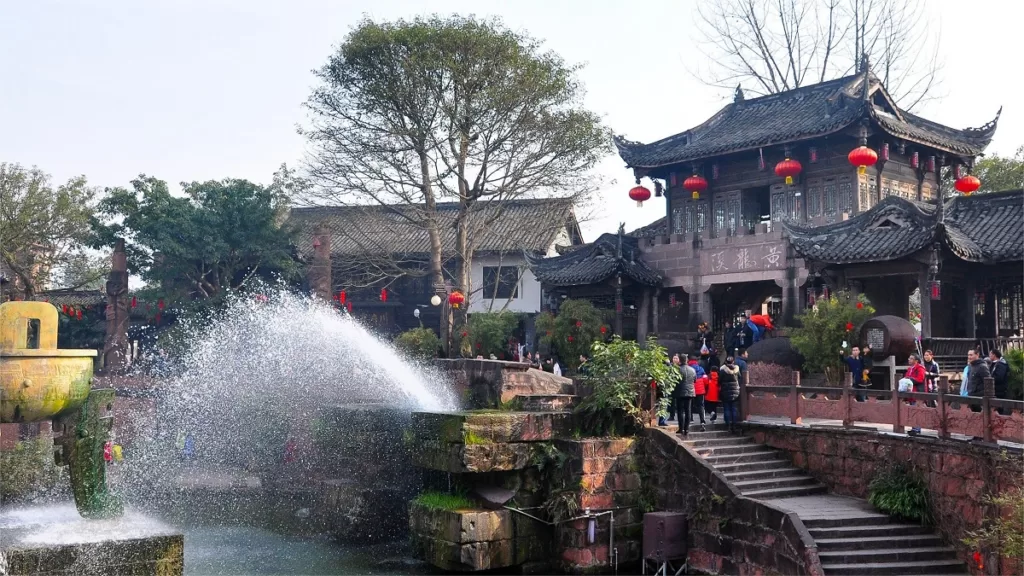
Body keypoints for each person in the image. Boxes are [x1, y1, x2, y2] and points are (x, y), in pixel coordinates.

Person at [901, 353, 926, 435]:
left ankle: (917, 429)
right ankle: (914, 427)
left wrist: (910, 379)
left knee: (917, 410)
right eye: (909, 358)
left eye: (911, 358)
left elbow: (920, 379)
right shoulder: (909, 369)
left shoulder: (920, 368)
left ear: (916, 361)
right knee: (912, 411)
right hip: (910, 392)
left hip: (917, 391)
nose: (909, 360)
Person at [674, 355, 698, 436]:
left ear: (680, 360)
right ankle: (686, 429)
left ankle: (681, 428)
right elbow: (695, 380)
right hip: (690, 391)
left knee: (680, 411)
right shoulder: (692, 369)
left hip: (680, 391)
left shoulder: (677, 369)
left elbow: (675, 380)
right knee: (688, 410)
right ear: (687, 360)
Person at [719, 356, 742, 433]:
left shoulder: (723, 370)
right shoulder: (736, 369)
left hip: (725, 392)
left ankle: (728, 424)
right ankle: (734, 424)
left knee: (727, 408)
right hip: (735, 392)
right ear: (733, 362)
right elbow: (740, 378)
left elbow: (719, 380)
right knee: (734, 408)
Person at [686, 354, 708, 431]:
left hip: (690, 389)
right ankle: (702, 421)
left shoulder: (688, 369)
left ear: (689, 361)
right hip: (700, 390)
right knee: (701, 406)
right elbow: (705, 379)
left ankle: (690, 419)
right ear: (696, 361)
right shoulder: (701, 369)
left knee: (689, 405)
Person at [966, 349, 991, 413]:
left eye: (971, 355)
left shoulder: (982, 367)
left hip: (979, 397)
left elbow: (988, 382)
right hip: (971, 395)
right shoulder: (970, 366)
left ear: (977, 355)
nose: (969, 357)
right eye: (968, 355)